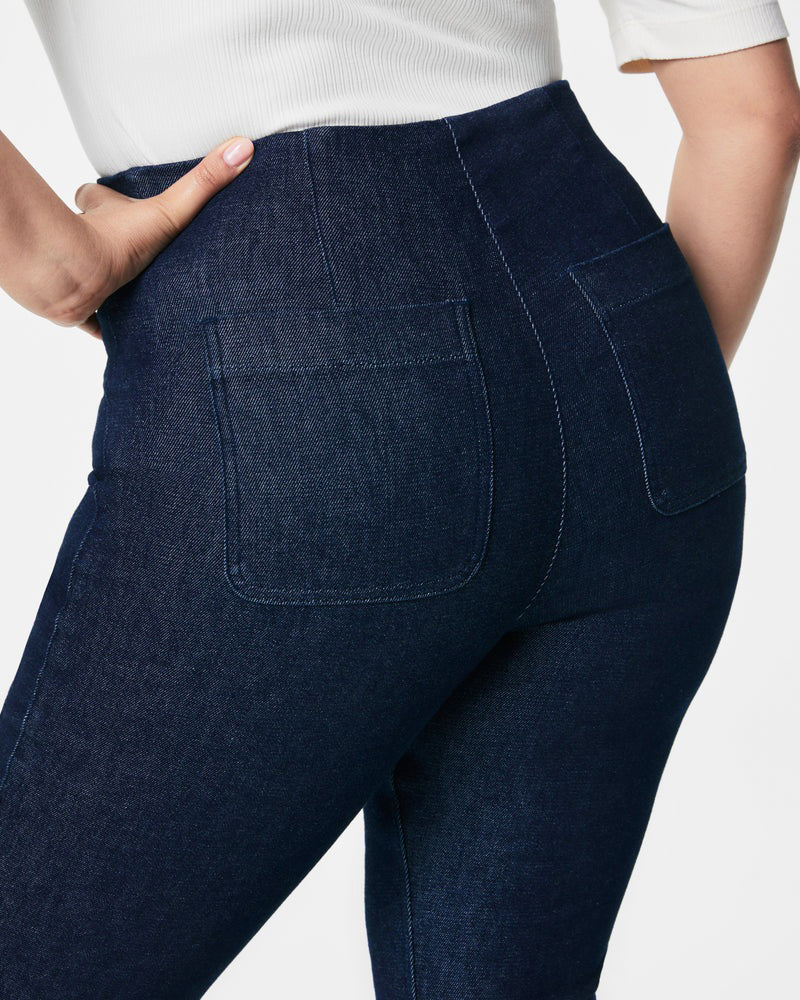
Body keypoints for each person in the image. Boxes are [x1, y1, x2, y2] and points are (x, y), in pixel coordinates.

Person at [0, 2, 798, 997]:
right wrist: (631, 408)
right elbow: (751, 113)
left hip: (299, 338)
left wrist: (55, 262)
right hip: (624, 348)